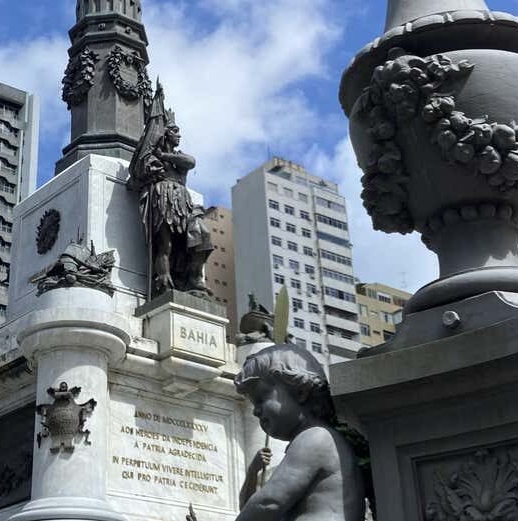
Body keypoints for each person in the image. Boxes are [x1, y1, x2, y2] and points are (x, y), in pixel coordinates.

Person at [232, 344, 365, 521]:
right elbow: (254, 507)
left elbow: (268, 502)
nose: (255, 411)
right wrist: (252, 472)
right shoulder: (313, 439)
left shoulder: (316, 437)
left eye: (261, 399)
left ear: (301, 392)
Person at [129, 82, 213, 297]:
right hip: (162, 199)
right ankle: (163, 279)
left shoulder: (175, 158)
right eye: (175, 131)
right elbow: (139, 171)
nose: (179, 135)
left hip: (182, 201)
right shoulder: (150, 157)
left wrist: (164, 156)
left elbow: (191, 161)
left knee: (201, 236)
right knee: (165, 244)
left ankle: (194, 278)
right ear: (164, 134)